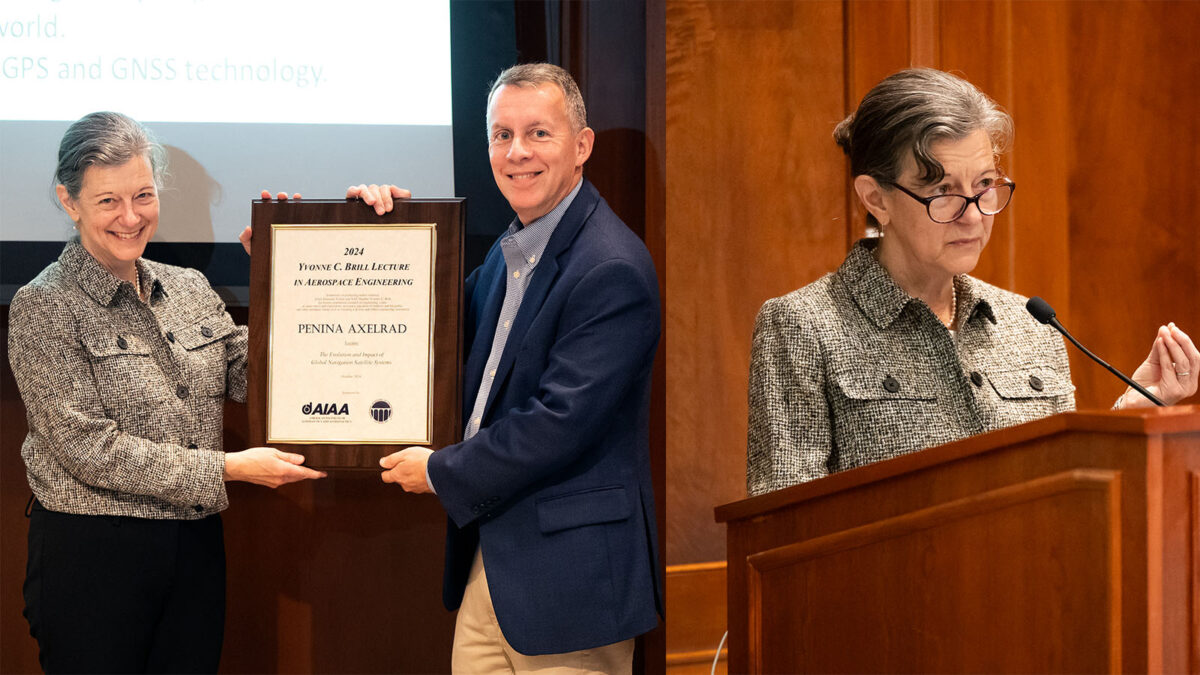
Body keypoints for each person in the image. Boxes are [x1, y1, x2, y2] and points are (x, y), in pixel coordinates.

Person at [746, 68, 1198, 497]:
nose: (974, 214)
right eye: (942, 190)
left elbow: (1059, 491)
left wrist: (1134, 413)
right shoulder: (803, 326)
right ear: (876, 198)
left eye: (984, 184)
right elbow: (784, 533)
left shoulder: (1030, 324)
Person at [345, 63, 662, 673]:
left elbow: (558, 422)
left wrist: (440, 471)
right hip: (491, 565)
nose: (517, 152)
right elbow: (421, 326)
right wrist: (380, 237)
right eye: (501, 135)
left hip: (568, 583)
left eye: (539, 133)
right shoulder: (511, 252)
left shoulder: (610, 266)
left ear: (582, 146)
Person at [8, 111, 325, 673]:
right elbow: (88, 449)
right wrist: (228, 469)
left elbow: (260, 383)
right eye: (108, 201)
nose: (131, 217)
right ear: (68, 200)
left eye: (143, 195)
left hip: (194, 547)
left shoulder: (189, 286)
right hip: (92, 554)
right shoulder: (44, 306)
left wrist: (289, 273)